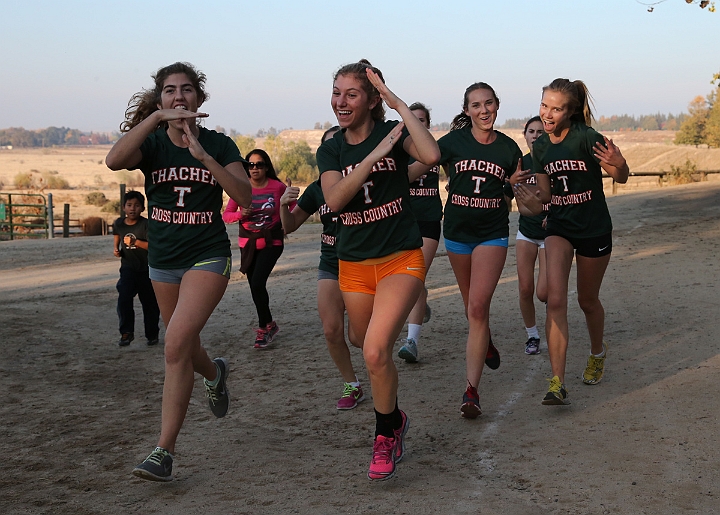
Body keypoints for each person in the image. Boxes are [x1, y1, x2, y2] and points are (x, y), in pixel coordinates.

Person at [105, 61, 252, 482]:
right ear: (162, 99)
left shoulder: (220, 145)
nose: (179, 97)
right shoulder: (151, 144)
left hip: (207, 255)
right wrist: (154, 118)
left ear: (199, 100)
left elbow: (243, 197)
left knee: (174, 346)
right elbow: (114, 160)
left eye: (187, 90)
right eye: (170, 91)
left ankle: (163, 451)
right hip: (163, 262)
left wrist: (203, 156)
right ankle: (215, 372)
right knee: (184, 346)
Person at [316, 60, 440, 480]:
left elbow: (432, 154)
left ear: (372, 100)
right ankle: (397, 418)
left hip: (400, 259)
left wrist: (399, 104)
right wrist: (374, 157)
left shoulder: (397, 132)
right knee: (360, 340)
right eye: (336, 92)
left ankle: (384, 435)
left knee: (374, 350)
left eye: (351, 94)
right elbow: (333, 201)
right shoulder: (332, 148)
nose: (341, 101)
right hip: (352, 265)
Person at [513, 78, 629, 405]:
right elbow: (546, 195)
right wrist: (528, 199)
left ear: (571, 110)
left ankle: (596, 352)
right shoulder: (542, 147)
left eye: (557, 108)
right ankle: (557, 382)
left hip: (593, 227)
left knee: (587, 301)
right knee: (555, 301)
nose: (548, 114)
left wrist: (620, 166)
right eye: (544, 105)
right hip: (559, 225)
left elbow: (619, 175)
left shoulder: (587, 138)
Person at [437, 82, 522, 419]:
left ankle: (471, 391)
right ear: (466, 110)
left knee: (476, 307)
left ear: (497, 106)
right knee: (471, 306)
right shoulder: (451, 143)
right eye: (476, 105)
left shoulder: (509, 149)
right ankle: (484, 341)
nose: (483, 110)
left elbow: (513, 196)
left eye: (489, 104)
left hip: (491, 234)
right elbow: (423, 165)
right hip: (456, 233)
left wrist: (517, 190)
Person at [280, 125, 366, 410]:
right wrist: (283, 205)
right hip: (330, 262)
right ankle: (352, 384)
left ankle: (379, 361)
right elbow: (290, 225)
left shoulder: (365, 181)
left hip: (361, 262)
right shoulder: (318, 188)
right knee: (331, 329)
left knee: (358, 336)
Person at [223, 149, 290, 348]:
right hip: (248, 245)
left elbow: (293, 207)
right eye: (250, 165)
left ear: (266, 167)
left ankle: (263, 329)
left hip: (272, 242)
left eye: (259, 164)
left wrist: (287, 220)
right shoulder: (241, 188)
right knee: (255, 286)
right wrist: (241, 214)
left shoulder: (278, 187)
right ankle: (270, 324)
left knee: (258, 282)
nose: (254, 168)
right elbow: (227, 216)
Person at [396, 102, 443, 363]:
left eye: (422, 120)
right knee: (410, 280)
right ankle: (420, 304)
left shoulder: (436, 149)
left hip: (428, 220)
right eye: (412, 119)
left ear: (428, 124)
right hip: (401, 221)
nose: (418, 124)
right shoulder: (398, 151)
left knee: (416, 275)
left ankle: (411, 340)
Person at [507, 116, 549, 355]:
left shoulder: (552, 162)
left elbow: (562, 196)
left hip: (549, 234)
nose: (535, 135)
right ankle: (532, 335)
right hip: (526, 232)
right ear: (525, 135)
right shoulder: (520, 163)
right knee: (525, 289)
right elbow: (507, 194)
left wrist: (550, 212)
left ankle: (553, 319)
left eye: (540, 132)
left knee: (543, 292)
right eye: (531, 131)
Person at [112, 190, 160, 347]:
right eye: (129, 205)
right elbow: (117, 234)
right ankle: (126, 332)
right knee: (124, 298)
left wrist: (137, 243)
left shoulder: (146, 225)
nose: (133, 209)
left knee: (149, 303)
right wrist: (116, 248)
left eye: (137, 205)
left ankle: (152, 334)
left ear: (143, 208)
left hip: (146, 270)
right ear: (123, 207)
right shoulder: (119, 223)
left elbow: (153, 246)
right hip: (128, 268)